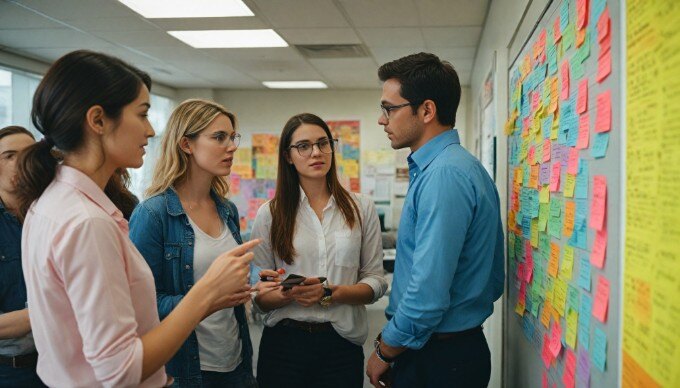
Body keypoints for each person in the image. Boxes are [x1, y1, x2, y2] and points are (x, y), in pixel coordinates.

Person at [16, 50, 258, 387]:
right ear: (98, 121)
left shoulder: (56, 202)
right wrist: (206, 292)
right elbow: (121, 370)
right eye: (142, 114)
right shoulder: (88, 222)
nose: (150, 130)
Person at [365, 53, 505, 388]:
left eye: (389, 108)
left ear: (426, 110)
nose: (382, 120)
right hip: (447, 350)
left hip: (439, 358)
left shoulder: (444, 175)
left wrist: (384, 351)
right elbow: (494, 280)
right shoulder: (454, 167)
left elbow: (426, 297)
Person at [129, 99, 279, 387]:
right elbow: (139, 305)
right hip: (185, 369)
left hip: (235, 360)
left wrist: (256, 283)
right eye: (219, 137)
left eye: (232, 137)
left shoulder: (226, 210)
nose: (232, 146)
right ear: (186, 144)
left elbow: (224, 281)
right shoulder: (153, 214)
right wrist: (205, 300)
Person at [251, 113, 388, 388]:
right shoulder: (271, 214)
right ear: (288, 156)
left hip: (340, 344)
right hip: (284, 346)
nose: (316, 152)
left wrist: (329, 293)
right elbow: (258, 297)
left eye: (323, 143)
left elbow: (376, 282)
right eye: (303, 146)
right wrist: (280, 294)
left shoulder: (361, 208)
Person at [0, 126, 44, 387]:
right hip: (9, 372)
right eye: (9, 155)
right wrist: (52, 312)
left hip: (59, 362)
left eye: (28, 154)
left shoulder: (51, 214)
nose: (20, 162)